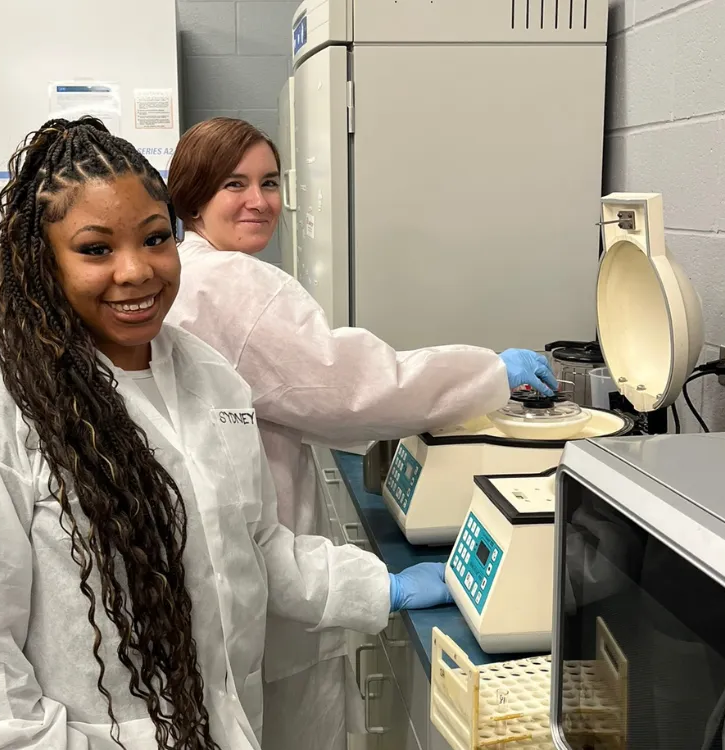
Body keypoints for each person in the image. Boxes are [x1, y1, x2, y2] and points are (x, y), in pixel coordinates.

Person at [0, 117, 450, 750]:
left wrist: (381, 586)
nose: (136, 271)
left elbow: (254, 545)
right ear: (43, 262)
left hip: (222, 722)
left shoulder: (209, 377)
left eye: (155, 239)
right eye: (96, 249)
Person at [164, 117, 559, 750]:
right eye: (234, 184)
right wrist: (493, 374)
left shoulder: (186, 275)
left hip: (234, 581)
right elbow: (353, 387)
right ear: (192, 196)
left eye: (270, 182)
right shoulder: (234, 284)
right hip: (269, 596)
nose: (259, 201)